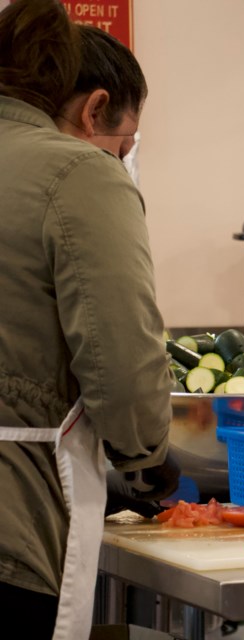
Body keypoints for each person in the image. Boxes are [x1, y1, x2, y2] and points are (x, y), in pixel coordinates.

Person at [0, 2, 179, 639]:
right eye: (121, 146)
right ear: (92, 108)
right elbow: (123, 366)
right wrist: (147, 456)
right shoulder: (76, 173)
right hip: (12, 520)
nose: (120, 160)